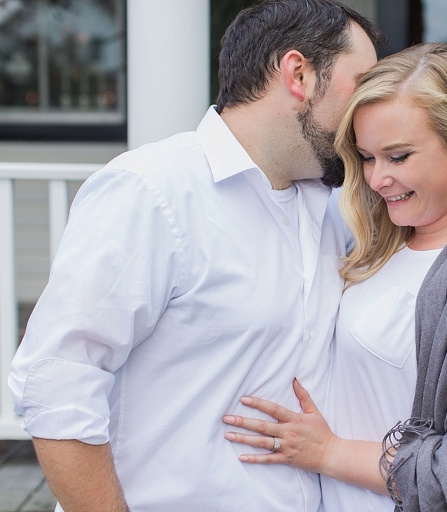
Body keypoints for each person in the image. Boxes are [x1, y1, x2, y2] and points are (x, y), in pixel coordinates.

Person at [8, 1, 381, 511]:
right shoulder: (152, 192)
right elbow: (57, 385)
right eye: (363, 84)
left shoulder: (336, 207)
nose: (371, 110)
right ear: (298, 74)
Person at [222, 43, 447, 511]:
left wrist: (330, 453)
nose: (377, 179)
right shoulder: (376, 245)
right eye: (367, 157)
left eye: (399, 156)